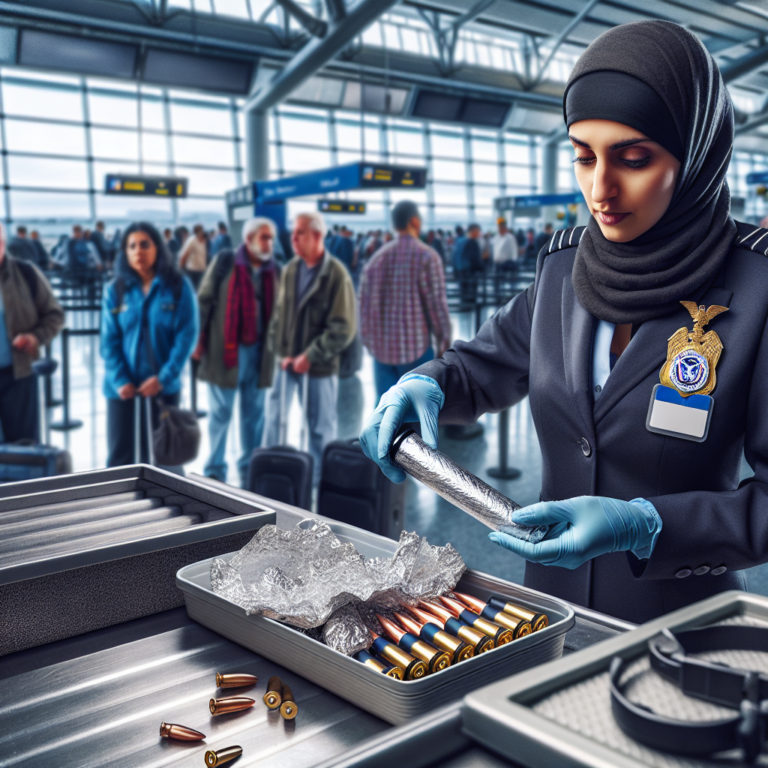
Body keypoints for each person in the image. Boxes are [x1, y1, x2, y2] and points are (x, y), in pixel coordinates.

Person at [361, 20, 768, 625]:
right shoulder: (565, 269)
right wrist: (427, 383)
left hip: (678, 625)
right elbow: (484, 365)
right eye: (583, 156)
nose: (600, 188)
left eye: (632, 158)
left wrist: (647, 524)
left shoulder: (756, 289)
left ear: (696, 153)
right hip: (546, 609)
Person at [263, 211, 356, 483]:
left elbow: (343, 328)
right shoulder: (291, 269)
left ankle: (320, 481)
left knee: (319, 428)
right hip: (287, 361)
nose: (292, 238)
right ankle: (270, 473)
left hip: (320, 366)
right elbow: (279, 316)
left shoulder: (336, 275)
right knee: (274, 419)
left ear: (317, 235)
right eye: (293, 232)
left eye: (299, 232)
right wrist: (278, 350)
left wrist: (311, 355)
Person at [100, 222, 198, 469]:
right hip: (122, 390)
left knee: (165, 459)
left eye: (145, 244)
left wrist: (163, 378)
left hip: (163, 388)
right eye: (131, 246)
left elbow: (186, 335)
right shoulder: (116, 290)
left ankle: (168, 506)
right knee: (120, 460)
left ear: (158, 248)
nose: (138, 251)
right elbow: (108, 340)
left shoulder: (177, 287)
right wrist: (120, 379)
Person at [195, 217, 280, 485]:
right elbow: (205, 300)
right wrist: (197, 340)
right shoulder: (225, 263)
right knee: (220, 412)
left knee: (255, 415)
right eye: (264, 237)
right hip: (226, 351)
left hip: (260, 353)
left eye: (271, 238)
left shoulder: (274, 269)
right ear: (249, 239)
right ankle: (215, 469)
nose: (269, 243)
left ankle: (249, 465)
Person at [359, 200, 452, 402]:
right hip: (415, 349)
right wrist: (444, 339)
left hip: (382, 351)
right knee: (416, 411)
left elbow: (363, 307)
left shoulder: (377, 258)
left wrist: (369, 342)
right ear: (414, 221)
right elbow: (436, 305)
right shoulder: (427, 256)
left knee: (385, 409)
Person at [0, 223, 64, 442]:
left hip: (19, 376)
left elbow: (54, 315)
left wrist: (35, 337)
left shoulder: (26, 274)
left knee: (24, 446)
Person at [452, 223, 483, 303]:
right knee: (471, 297)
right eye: (479, 231)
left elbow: (454, 257)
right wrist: (482, 268)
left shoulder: (460, 240)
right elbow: (475, 259)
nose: (480, 233)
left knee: (464, 294)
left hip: (460, 271)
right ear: (474, 231)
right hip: (470, 272)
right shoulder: (472, 242)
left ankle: (465, 308)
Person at [179, 224, 208, 289]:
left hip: (201, 271)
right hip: (192, 272)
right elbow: (184, 255)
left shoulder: (204, 241)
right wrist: (180, 270)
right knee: (194, 290)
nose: (202, 233)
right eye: (200, 231)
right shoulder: (192, 240)